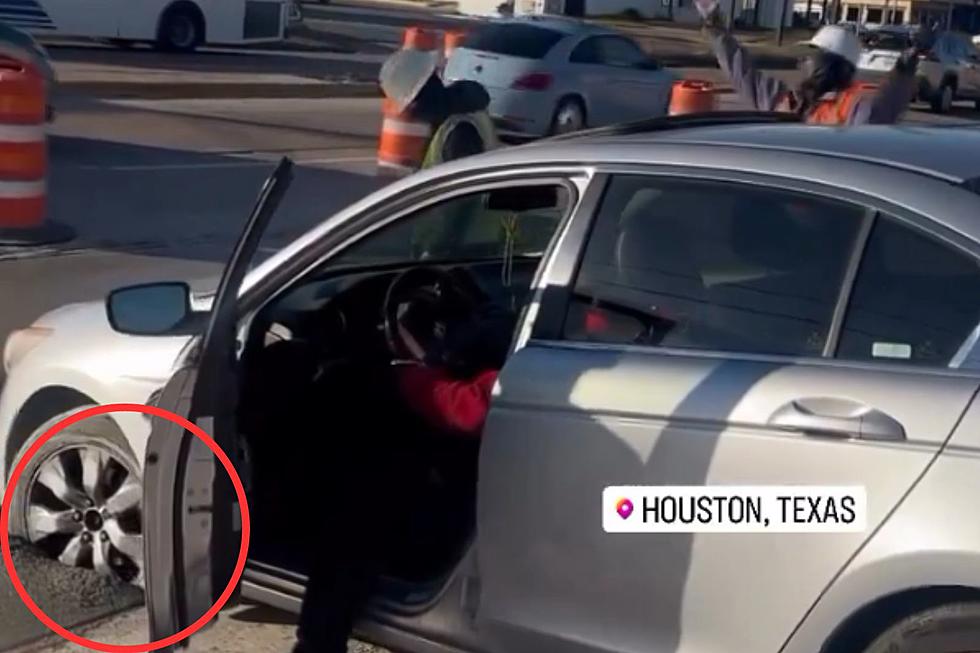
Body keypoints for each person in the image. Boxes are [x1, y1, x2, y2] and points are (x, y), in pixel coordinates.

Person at [694, 0, 923, 124]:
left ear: (832, 64)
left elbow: (883, 112)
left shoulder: (853, 107)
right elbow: (741, 70)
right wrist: (715, 26)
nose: (803, 62)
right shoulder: (786, 100)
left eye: (811, 56)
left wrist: (903, 70)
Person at [378, 47, 499, 170]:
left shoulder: (459, 132)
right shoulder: (454, 118)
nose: (413, 113)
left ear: (425, 95)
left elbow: (459, 184)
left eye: (413, 103)